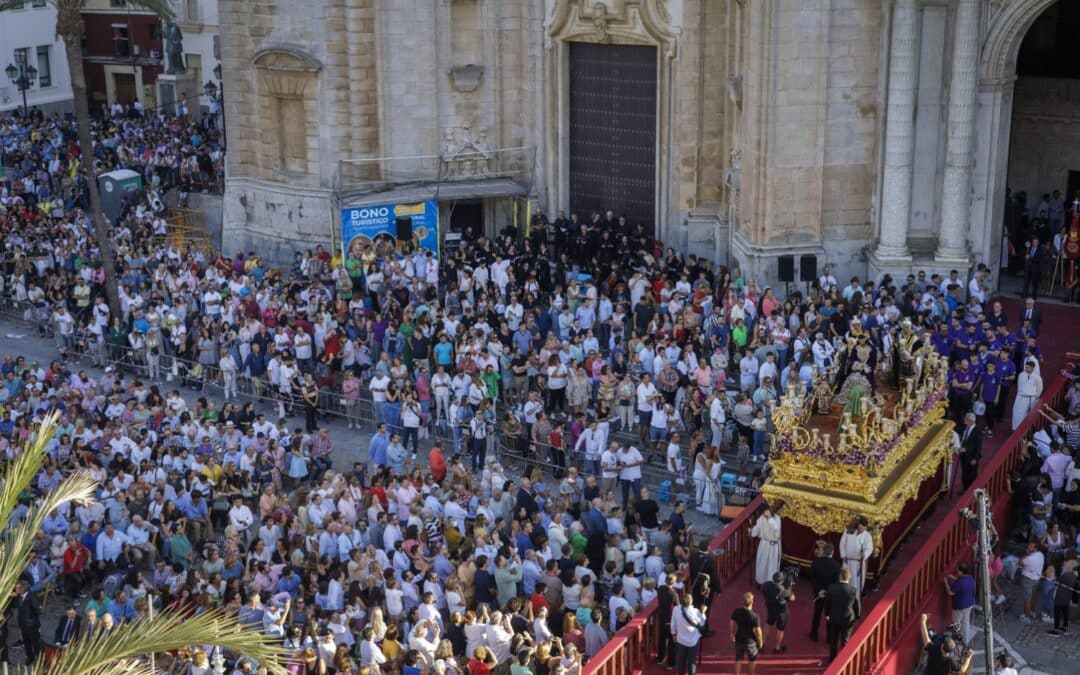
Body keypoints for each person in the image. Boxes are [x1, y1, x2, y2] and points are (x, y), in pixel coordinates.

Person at [823, 568, 860, 665]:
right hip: (847, 618)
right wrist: (857, 617)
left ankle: (832, 659)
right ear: (849, 577)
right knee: (845, 640)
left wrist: (827, 614)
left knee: (833, 640)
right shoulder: (853, 590)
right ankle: (843, 661)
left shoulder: (831, 587)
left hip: (834, 617)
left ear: (840, 576)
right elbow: (857, 605)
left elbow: (827, 603)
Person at [809, 541, 841, 642]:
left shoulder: (815, 562)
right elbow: (836, 582)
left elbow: (813, 579)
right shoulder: (836, 565)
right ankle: (829, 637)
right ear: (833, 552)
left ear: (823, 551)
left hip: (818, 593)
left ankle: (814, 634)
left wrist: (819, 591)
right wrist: (827, 591)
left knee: (817, 613)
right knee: (829, 615)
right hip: (830, 594)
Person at [670, 591, 706, 675]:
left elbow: (673, 623)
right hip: (692, 641)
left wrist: (674, 634)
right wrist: (703, 612)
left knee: (681, 660)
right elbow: (702, 623)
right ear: (690, 601)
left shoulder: (676, 609)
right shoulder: (695, 611)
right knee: (691, 660)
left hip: (681, 639)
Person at [728, 592, 763, 675]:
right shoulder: (755, 616)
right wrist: (760, 642)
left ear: (743, 601)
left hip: (739, 639)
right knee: (752, 660)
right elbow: (758, 631)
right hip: (751, 641)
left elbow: (731, 622)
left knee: (738, 659)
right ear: (752, 601)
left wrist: (731, 634)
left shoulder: (737, 611)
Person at [760, 571, 794, 654]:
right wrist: (790, 588)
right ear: (781, 580)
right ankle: (777, 648)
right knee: (780, 629)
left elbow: (764, 593)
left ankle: (762, 644)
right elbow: (792, 598)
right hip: (782, 611)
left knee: (768, 624)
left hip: (771, 608)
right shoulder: (784, 590)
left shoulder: (766, 585)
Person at [838, 519, 874, 595]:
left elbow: (869, 548)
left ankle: (855, 599)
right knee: (845, 580)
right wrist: (843, 555)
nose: (862, 530)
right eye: (860, 528)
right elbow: (842, 543)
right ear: (858, 525)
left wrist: (864, 554)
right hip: (847, 561)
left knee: (856, 583)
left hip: (858, 563)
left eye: (863, 528)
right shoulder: (848, 531)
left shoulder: (867, 536)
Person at [943, 563, 976, 645]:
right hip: (969, 603)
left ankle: (954, 641)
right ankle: (965, 641)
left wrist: (946, 583)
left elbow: (950, 592)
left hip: (959, 606)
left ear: (961, 571)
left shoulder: (959, 582)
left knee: (956, 623)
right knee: (965, 623)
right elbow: (961, 582)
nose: (957, 571)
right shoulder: (970, 578)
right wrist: (953, 578)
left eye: (958, 570)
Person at [750, 506, 782, 586]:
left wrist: (770, 518)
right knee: (762, 564)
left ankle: (771, 583)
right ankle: (760, 581)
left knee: (772, 565)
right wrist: (751, 530)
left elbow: (776, 530)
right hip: (764, 544)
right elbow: (755, 533)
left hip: (774, 545)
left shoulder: (777, 518)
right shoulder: (761, 519)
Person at [15, 580, 43, 663]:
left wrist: (31, 620)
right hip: (23, 626)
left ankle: (40, 659)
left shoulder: (32, 597)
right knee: (27, 643)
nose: (15, 589)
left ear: (22, 589)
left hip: (32, 626)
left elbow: (38, 611)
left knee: (36, 644)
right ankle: (30, 657)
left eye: (17, 588)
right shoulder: (19, 596)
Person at [958, 412, 982, 490]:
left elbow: (978, 446)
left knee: (972, 475)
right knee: (964, 473)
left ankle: (971, 491)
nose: (964, 421)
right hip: (964, 456)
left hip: (972, 457)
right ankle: (965, 489)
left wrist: (975, 458)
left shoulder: (977, 431)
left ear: (971, 421)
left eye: (966, 420)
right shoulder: (966, 428)